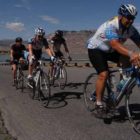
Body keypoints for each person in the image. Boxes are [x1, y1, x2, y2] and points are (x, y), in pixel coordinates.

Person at [86, 4, 140, 118]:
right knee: (103, 74)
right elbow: (115, 44)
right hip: (96, 49)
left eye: (133, 18)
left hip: (110, 51)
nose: (130, 21)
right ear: (121, 16)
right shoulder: (111, 25)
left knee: (127, 59)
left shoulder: (131, 30)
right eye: (128, 17)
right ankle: (99, 103)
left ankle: (123, 83)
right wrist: (131, 53)